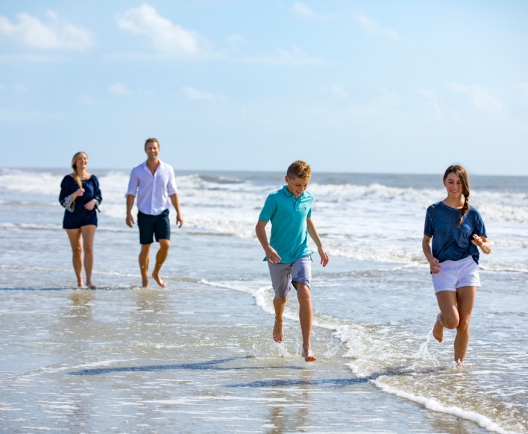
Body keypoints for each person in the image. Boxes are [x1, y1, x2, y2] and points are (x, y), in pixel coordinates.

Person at [255, 160, 329, 362]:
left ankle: (307, 347)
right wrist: (267, 248)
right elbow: (259, 227)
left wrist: (320, 246)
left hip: (301, 252)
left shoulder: (308, 198)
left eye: (305, 185)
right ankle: (278, 319)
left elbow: (308, 220)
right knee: (281, 297)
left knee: (304, 292)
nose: (301, 189)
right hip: (277, 256)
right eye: (297, 185)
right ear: (287, 180)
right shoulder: (274, 199)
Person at [422, 164, 491, 364]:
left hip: (468, 266)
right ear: (444, 183)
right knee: (453, 321)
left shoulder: (473, 214)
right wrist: (430, 259)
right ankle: (440, 321)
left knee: (464, 323)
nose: (454, 186)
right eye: (450, 182)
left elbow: (487, 247)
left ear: (464, 185)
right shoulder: (434, 211)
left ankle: (457, 370)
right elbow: (425, 242)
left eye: (458, 182)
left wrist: (481, 244)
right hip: (443, 268)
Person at [125, 138, 183, 288]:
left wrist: (179, 213)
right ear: (145, 150)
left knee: (166, 244)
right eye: (149, 148)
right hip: (144, 213)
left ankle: (156, 272)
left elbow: (173, 192)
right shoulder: (137, 170)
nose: (152, 151)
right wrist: (128, 213)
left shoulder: (167, 169)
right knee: (146, 247)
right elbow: (131, 192)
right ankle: (144, 278)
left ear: (159, 150)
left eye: (155, 148)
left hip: (162, 212)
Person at [59, 152, 102, 289]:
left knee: (88, 248)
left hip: (89, 216)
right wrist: (74, 194)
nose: (82, 160)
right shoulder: (68, 179)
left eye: (84, 158)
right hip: (72, 216)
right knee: (77, 250)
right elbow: (62, 200)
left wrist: (93, 202)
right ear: (75, 162)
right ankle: (80, 281)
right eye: (79, 159)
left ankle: (89, 281)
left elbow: (99, 196)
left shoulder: (93, 178)